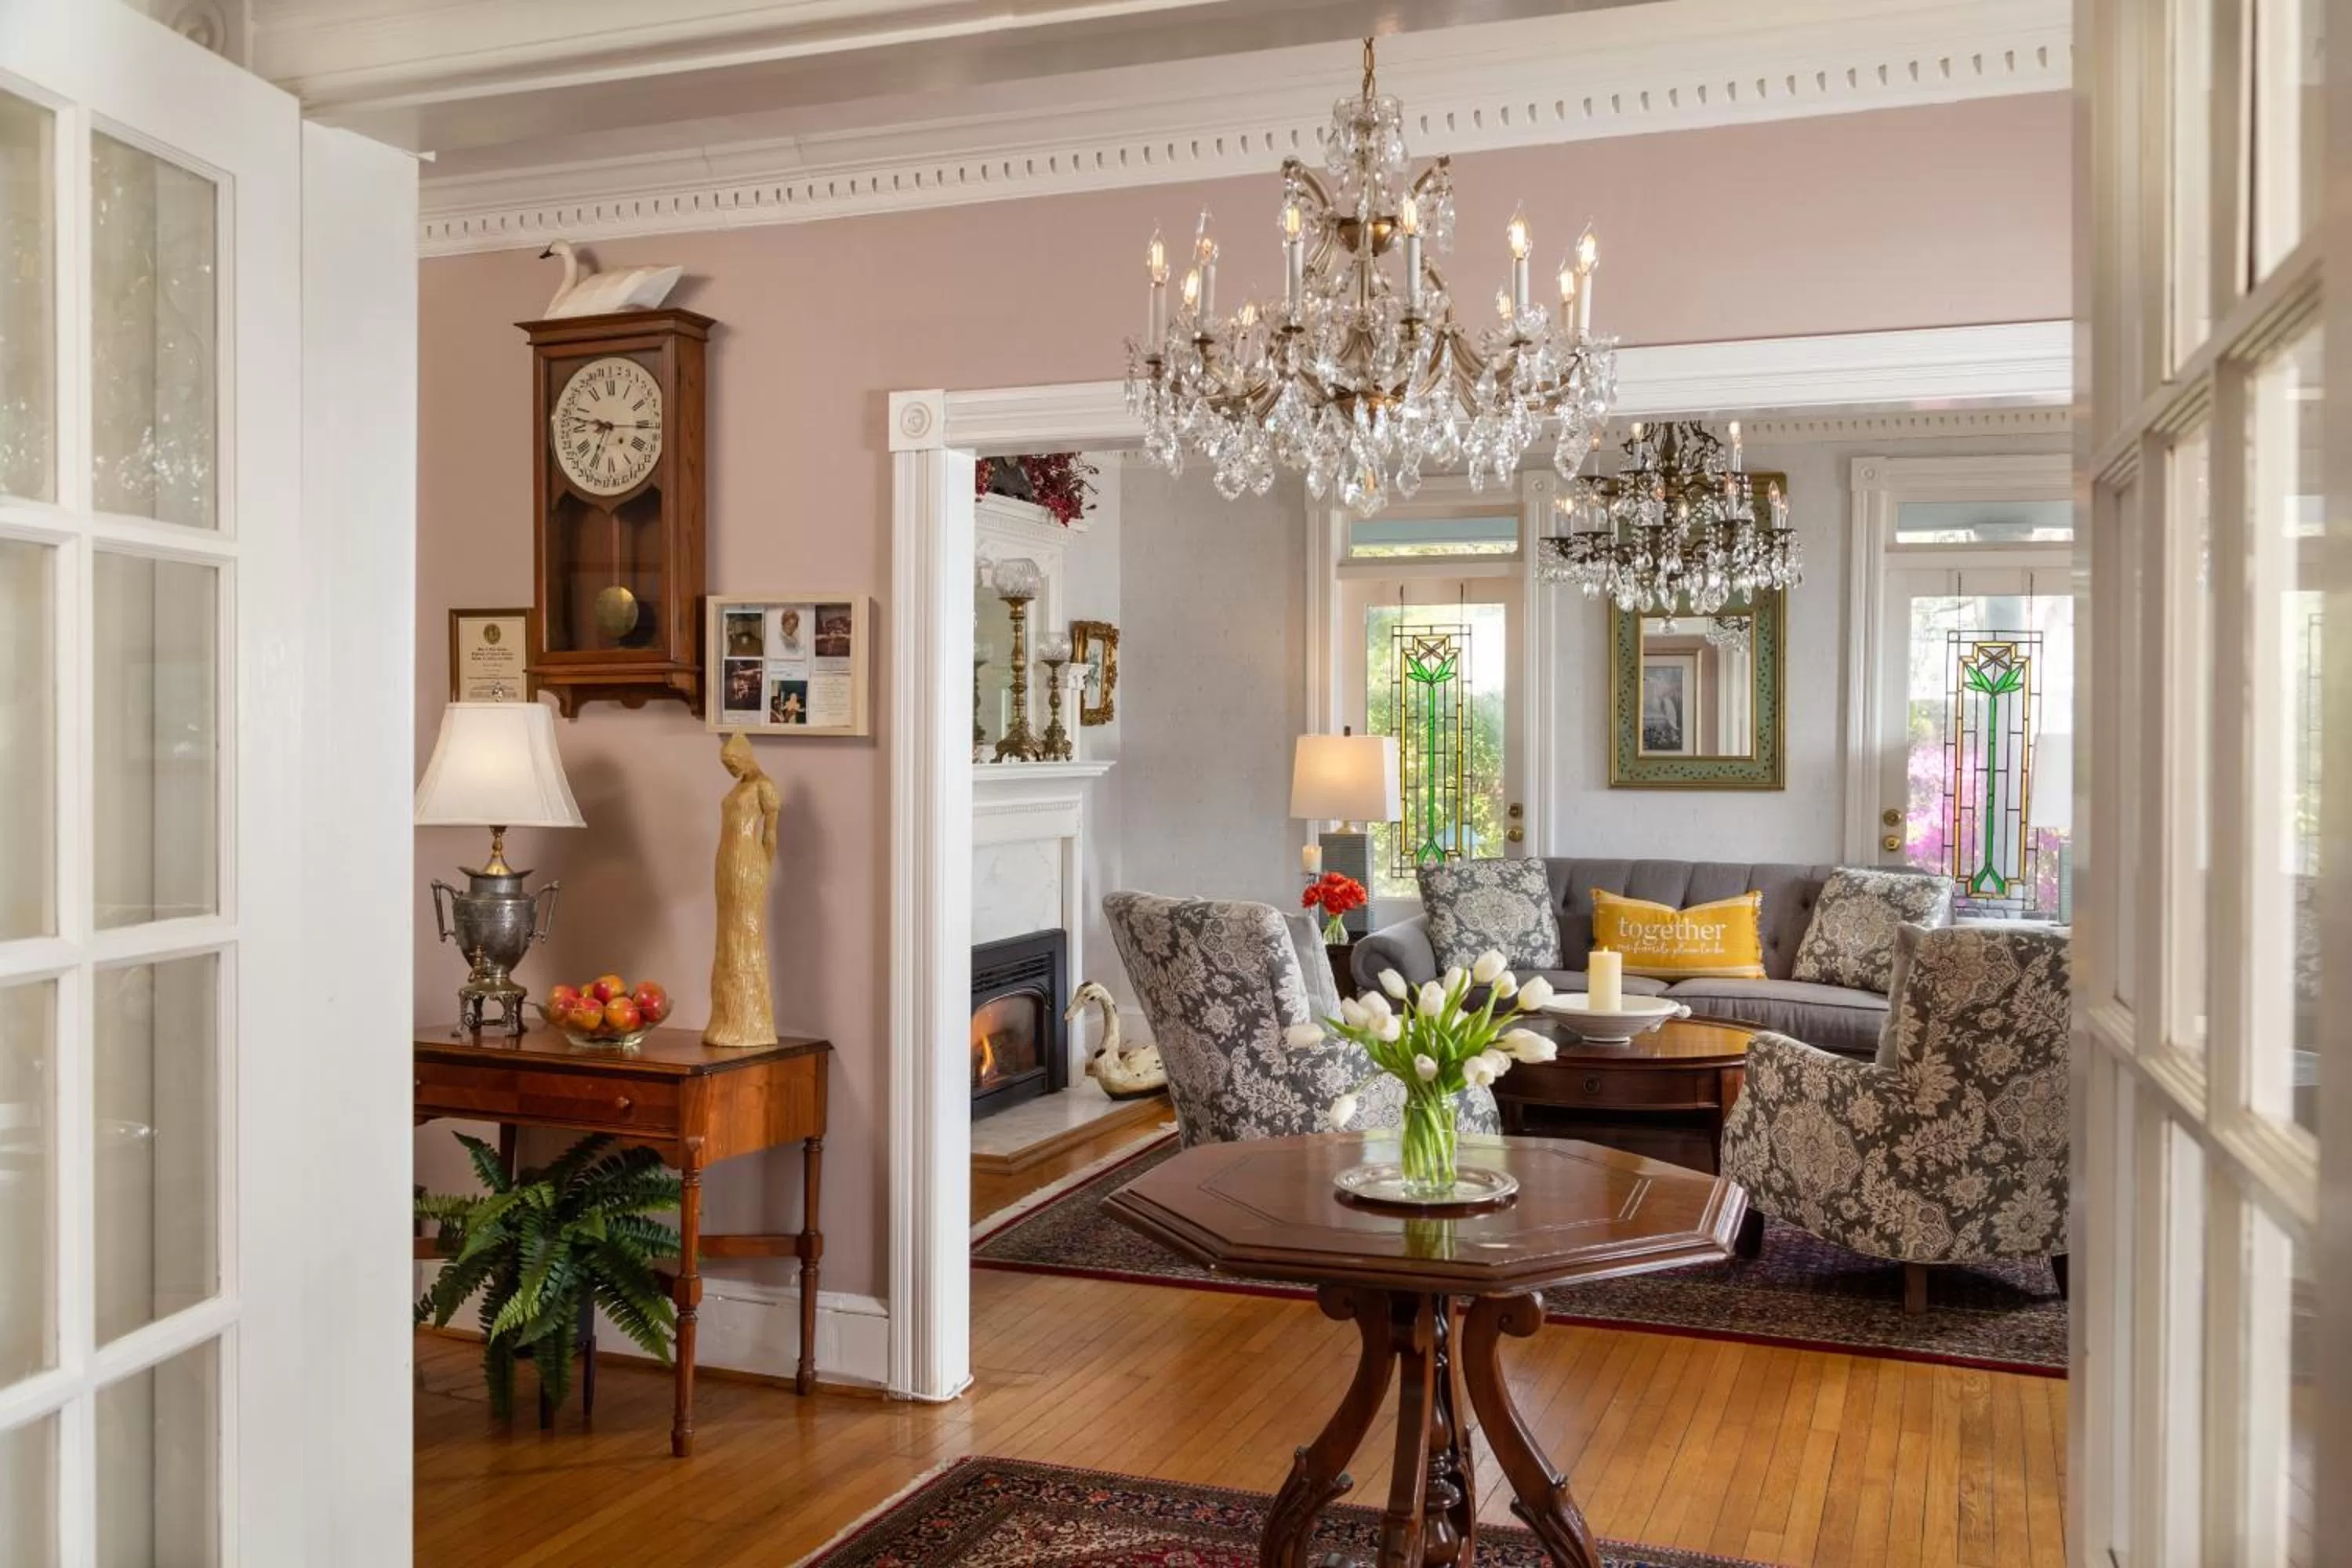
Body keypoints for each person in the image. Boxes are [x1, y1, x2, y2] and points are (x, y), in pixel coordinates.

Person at [704, 732, 780, 1047]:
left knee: (744, 934)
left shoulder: (765, 787)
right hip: (726, 861)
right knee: (726, 935)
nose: (731, 770)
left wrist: (761, 867)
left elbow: (771, 836)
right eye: (727, 766)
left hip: (748, 863)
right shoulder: (738, 788)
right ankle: (726, 1016)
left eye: (733, 763)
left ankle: (750, 1021)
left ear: (746, 756)